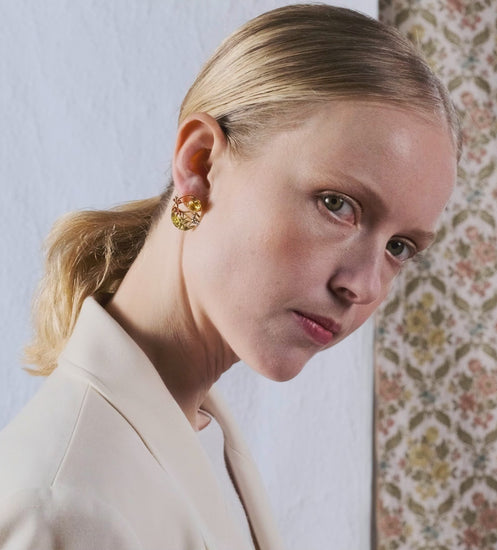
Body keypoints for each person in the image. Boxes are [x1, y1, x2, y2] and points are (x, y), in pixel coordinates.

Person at [0, 4, 460, 550]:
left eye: (399, 247)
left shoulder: (202, 432)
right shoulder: (63, 506)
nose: (364, 287)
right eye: (337, 204)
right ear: (199, 164)